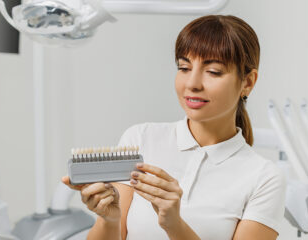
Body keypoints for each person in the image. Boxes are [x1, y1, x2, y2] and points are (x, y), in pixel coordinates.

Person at [62, 15, 286, 240]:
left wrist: (174, 225)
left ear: (247, 82)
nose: (192, 84)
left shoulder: (264, 178)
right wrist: (108, 219)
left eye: (214, 71)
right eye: (184, 67)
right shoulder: (141, 138)